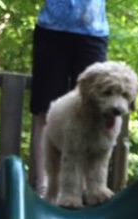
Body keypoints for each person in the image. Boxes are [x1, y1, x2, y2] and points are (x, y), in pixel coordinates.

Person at [30, 0, 109, 195]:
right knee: (45, 110)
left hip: (93, 30)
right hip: (51, 29)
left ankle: (83, 188)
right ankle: (44, 184)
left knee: (91, 111)